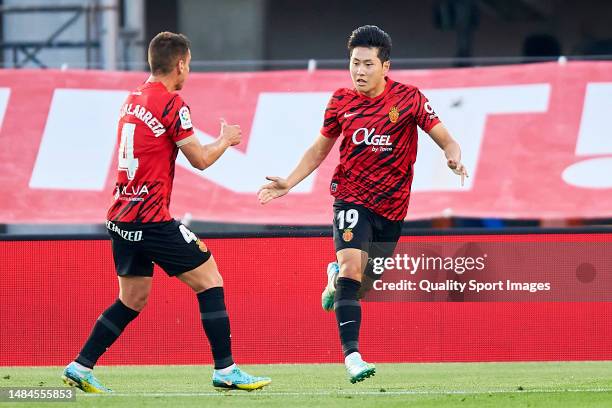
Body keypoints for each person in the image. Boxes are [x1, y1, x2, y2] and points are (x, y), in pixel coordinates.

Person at [62, 31, 271, 393]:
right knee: (210, 278)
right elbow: (201, 160)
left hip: (121, 216)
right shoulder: (172, 104)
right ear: (180, 64)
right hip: (150, 219)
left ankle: (80, 366)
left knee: (133, 298)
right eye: (188, 64)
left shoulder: (132, 98)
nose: (188, 71)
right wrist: (226, 139)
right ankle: (226, 369)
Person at [258, 25, 467, 383]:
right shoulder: (340, 100)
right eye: (355, 63)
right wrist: (289, 182)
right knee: (353, 270)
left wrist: (453, 157)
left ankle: (335, 277)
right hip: (351, 197)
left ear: (386, 66)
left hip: (393, 208)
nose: (359, 71)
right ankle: (352, 356)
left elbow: (447, 139)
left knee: (364, 282)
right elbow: (319, 149)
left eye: (368, 64)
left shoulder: (410, 99)